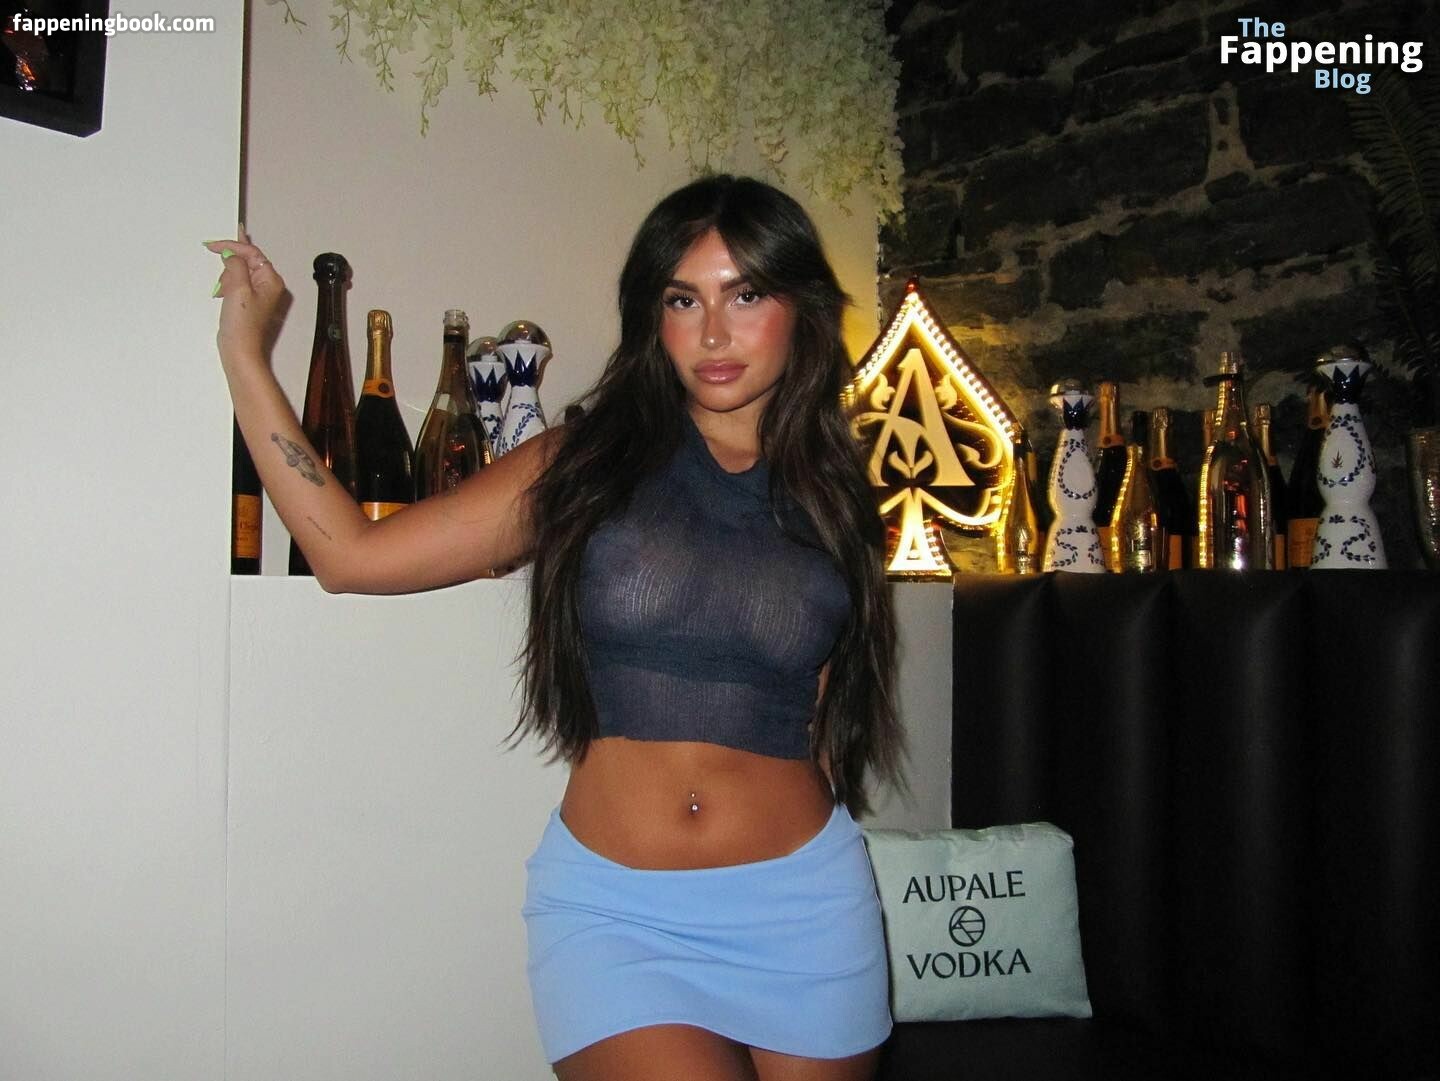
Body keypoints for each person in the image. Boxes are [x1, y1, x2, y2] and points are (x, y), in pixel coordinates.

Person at [207, 174, 903, 1081]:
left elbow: (820, 722)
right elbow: (348, 554)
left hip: (803, 907)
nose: (712, 332)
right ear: (652, 316)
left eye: (746, 295)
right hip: (617, 918)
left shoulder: (836, 499)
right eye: (682, 299)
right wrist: (246, 353)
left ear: (801, 307)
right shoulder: (585, 462)